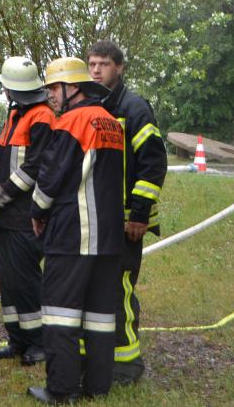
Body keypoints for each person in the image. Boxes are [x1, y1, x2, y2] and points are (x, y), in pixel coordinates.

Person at [27, 57, 125, 404]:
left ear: (72, 87)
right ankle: (98, 386)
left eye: (54, 88)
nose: (51, 95)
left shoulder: (71, 121)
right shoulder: (110, 121)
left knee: (60, 313)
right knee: (100, 316)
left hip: (73, 234)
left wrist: (37, 211)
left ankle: (61, 389)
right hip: (109, 238)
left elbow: (51, 176)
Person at [87, 40, 168, 385]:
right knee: (96, 291)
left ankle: (127, 364)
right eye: (92, 64)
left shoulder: (134, 109)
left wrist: (139, 214)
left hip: (126, 223)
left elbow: (153, 164)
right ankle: (98, 357)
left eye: (103, 64)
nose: (96, 70)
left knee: (119, 291)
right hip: (97, 220)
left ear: (119, 67)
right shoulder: (92, 106)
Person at [0, 57, 55, 366]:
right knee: (8, 281)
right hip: (5, 215)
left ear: (11, 88)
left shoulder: (42, 116)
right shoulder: (15, 113)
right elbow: (1, 155)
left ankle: (39, 342)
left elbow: (36, 165)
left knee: (26, 280)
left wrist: (5, 191)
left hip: (25, 214)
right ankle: (17, 339)